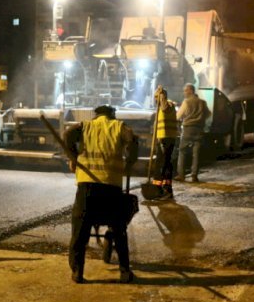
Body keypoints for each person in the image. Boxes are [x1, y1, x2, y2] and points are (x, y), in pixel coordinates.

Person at [64, 105, 139, 284]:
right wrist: (130, 161)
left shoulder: (85, 126)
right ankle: (124, 271)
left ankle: (77, 271)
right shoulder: (119, 127)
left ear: (96, 115)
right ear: (112, 115)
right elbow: (133, 141)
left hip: (86, 187)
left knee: (79, 230)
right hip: (111, 186)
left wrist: (73, 157)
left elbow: (67, 135)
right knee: (119, 229)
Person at [175, 83, 211, 183]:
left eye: (186, 90)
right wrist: (200, 118)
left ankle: (181, 175)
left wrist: (185, 117)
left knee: (182, 151)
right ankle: (194, 175)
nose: (184, 92)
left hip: (188, 129)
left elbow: (178, 116)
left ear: (191, 90)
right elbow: (208, 114)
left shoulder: (186, 102)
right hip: (199, 129)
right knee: (196, 153)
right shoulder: (202, 102)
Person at [152, 86, 179, 199]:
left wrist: (161, 94)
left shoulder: (168, 105)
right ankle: (166, 188)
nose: (155, 101)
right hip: (164, 138)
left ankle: (159, 188)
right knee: (165, 163)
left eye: (156, 98)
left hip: (166, 139)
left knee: (161, 164)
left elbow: (164, 107)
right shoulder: (162, 107)